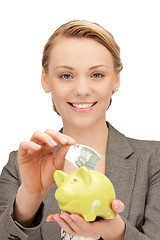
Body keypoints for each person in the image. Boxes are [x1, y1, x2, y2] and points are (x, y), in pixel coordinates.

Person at [0, 20, 160, 240]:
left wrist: (116, 231)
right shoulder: (18, 167)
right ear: (45, 80)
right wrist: (30, 195)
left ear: (116, 80)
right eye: (66, 75)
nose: (82, 90)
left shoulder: (154, 160)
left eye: (97, 75)